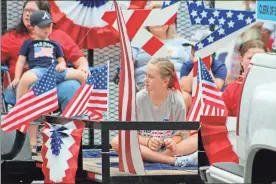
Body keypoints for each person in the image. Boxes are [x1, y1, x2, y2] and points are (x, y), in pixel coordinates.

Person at [1, 0, 90, 154]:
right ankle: (31, 145)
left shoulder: (59, 37)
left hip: (56, 82)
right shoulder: (12, 37)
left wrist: (83, 67)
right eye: (25, 10)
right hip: (21, 86)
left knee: (73, 87)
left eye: (32, 11)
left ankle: (70, 142)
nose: (28, 14)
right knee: (32, 85)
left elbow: (78, 58)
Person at [111, 58, 198, 167]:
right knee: (116, 141)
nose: (145, 80)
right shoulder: (139, 99)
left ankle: (151, 157)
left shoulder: (177, 101)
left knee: (197, 139)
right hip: (145, 146)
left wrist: (171, 141)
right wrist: (148, 141)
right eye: (146, 75)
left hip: (167, 149)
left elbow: (181, 135)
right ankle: (172, 161)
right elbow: (129, 134)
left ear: (165, 81)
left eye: (150, 77)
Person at [10, 10, 87, 101]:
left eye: (48, 26)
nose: (46, 29)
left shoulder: (55, 44)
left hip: (54, 71)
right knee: (25, 79)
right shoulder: (28, 43)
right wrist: (17, 77)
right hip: (37, 71)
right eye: (42, 26)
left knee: (82, 75)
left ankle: (84, 103)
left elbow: (61, 60)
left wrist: (61, 65)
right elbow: (20, 61)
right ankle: (20, 108)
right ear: (33, 28)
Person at [133, 1, 191, 91]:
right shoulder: (138, 41)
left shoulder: (183, 43)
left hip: (180, 87)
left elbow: (196, 64)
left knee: (184, 97)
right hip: (148, 89)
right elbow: (126, 63)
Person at [180, 29, 227, 108]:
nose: (193, 51)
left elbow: (216, 89)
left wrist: (206, 65)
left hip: (211, 101)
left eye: (198, 48)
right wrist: (196, 65)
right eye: (192, 47)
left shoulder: (219, 66)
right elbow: (185, 88)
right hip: (192, 100)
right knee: (183, 96)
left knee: (221, 95)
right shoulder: (187, 65)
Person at [222, 40, 267, 116]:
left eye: (260, 58)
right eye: (250, 58)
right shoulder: (231, 90)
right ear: (241, 60)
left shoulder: (272, 87)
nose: (255, 61)